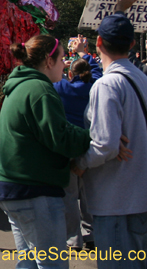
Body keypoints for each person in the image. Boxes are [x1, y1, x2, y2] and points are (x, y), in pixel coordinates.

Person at [74, 0, 147, 269]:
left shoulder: (107, 85)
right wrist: (120, 10)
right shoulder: (142, 78)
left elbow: (105, 145)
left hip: (116, 201)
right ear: (133, 44)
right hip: (141, 196)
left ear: (98, 43)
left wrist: (80, 163)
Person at [0, 35, 91, 269]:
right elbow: (62, 138)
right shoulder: (40, 90)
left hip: (14, 187)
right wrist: (94, 137)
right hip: (34, 190)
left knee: (29, 264)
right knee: (52, 265)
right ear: (49, 61)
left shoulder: (21, 85)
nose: (64, 64)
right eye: (61, 60)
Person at [54, 36, 103, 250]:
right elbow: (98, 71)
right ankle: (90, 233)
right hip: (90, 145)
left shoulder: (61, 88)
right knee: (88, 192)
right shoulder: (95, 87)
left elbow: (51, 80)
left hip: (69, 146)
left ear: (70, 73)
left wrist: (61, 66)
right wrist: (83, 52)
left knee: (69, 194)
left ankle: (73, 238)